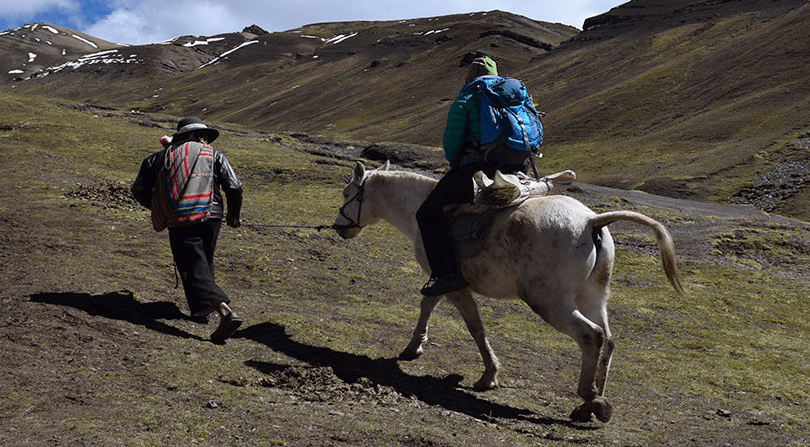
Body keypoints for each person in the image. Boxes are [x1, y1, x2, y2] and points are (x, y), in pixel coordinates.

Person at [416, 55, 537, 297]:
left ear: (470, 76)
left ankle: (448, 274)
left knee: (427, 213)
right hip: (518, 169)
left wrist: (456, 162)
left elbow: (453, 140)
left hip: (478, 171)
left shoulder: (469, 96)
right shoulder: (516, 94)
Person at [131, 116, 244, 343]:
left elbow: (139, 190)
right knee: (203, 262)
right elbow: (234, 186)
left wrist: (159, 206)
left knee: (192, 267)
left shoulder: (158, 159)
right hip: (212, 216)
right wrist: (233, 216)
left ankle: (225, 312)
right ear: (197, 136)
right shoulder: (214, 155)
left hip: (180, 217)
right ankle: (201, 312)